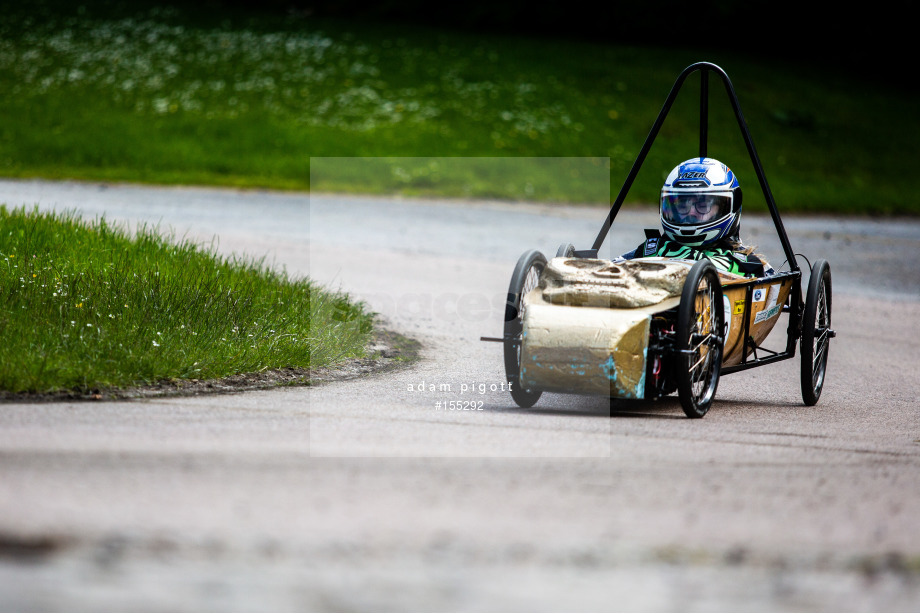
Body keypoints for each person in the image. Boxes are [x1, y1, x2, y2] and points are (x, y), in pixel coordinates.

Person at [620, 157, 773, 277]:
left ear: (728, 206)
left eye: (703, 205)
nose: (691, 213)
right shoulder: (652, 249)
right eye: (682, 205)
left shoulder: (747, 264)